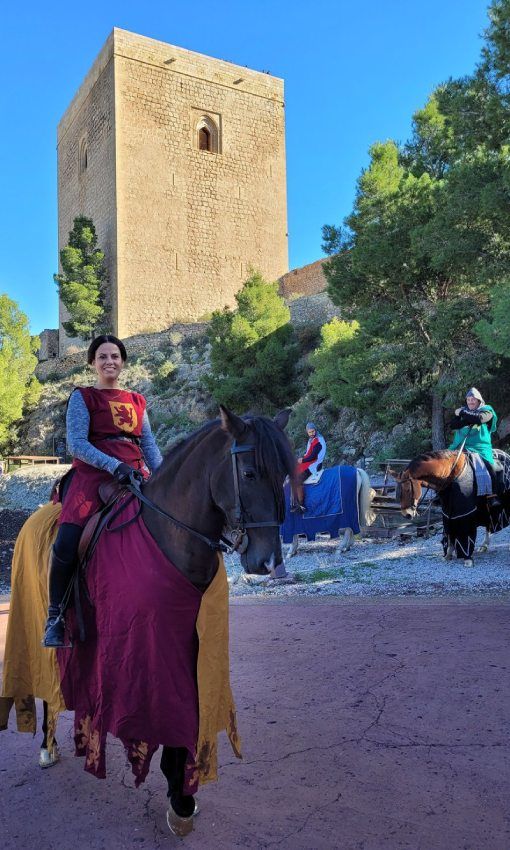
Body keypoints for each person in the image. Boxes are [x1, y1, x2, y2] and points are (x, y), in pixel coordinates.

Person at [42, 334, 163, 648]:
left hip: (136, 473)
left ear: (123, 362)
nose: (110, 362)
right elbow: (77, 445)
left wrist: (163, 475)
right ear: (92, 363)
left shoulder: (137, 400)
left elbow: (148, 445)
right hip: (94, 476)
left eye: (115, 356)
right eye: (103, 357)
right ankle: (55, 615)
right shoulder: (83, 397)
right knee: (67, 540)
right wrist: (114, 467)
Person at [449, 386, 501, 501]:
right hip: (460, 446)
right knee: (446, 464)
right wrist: (467, 418)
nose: (470, 401)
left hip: (480, 447)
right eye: (468, 399)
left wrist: (463, 414)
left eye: (473, 399)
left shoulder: (487, 410)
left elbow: (480, 419)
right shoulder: (464, 411)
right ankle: (442, 494)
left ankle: (493, 495)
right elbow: (453, 425)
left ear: (479, 400)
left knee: (488, 466)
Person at [293, 422, 327, 512]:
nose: (312, 433)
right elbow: (308, 453)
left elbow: (313, 456)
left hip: (315, 464)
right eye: (310, 432)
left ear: (315, 430)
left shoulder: (318, 440)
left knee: (298, 481)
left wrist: (302, 460)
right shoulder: (311, 440)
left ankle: (301, 505)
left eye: (313, 431)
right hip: (311, 462)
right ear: (307, 432)